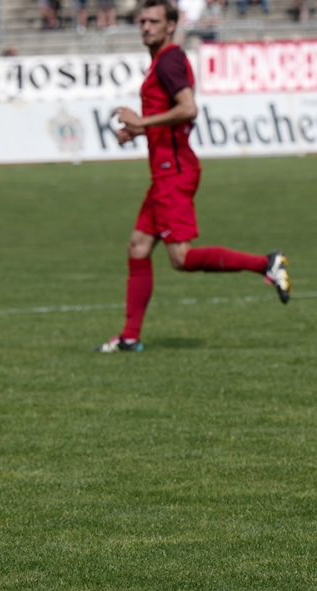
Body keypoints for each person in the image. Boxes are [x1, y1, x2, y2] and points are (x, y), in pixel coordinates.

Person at [96, 0, 291, 353]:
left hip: (175, 171)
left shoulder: (169, 59)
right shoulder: (162, 60)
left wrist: (141, 122)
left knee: (182, 258)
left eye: (154, 21)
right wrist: (140, 132)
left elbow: (188, 108)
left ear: (171, 25)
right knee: (138, 247)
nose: (146, 27)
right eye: (142, 21)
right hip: (166, 171)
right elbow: (174, 116)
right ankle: (129, 337)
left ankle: (266, 263)